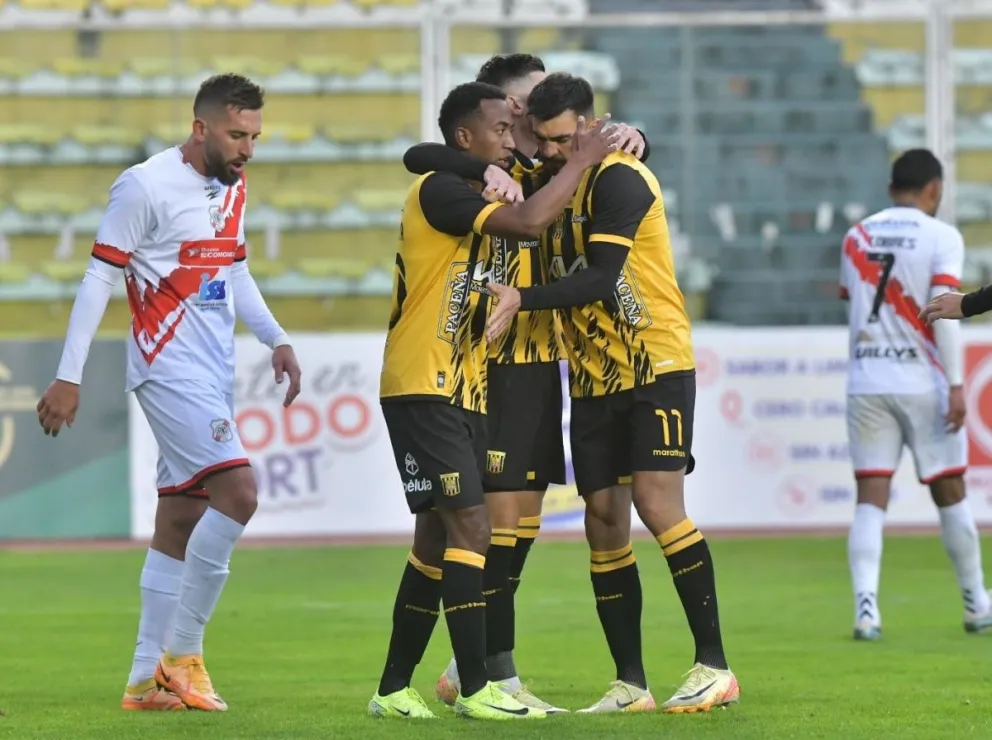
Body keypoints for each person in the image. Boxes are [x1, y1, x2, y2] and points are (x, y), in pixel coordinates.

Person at [36, 74, 302, 712]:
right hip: (166, 367)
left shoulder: (232, 187)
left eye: (255, 137)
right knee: (238, 493)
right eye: (237, 135)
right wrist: (68, 374)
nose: (248, 149)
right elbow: (99, 278)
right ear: (201, 127)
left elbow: (233, 269)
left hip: (212, 371)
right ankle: (182, 655)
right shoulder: (145, 184)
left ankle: (140, 683)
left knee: (180, 519)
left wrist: (276, 338)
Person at [485, 72, 740, 715]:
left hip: (654, 362)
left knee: (657, 504)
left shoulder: (622, 177)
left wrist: (523, 298)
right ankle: (631, 684)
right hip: (595, 373)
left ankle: (714, 664)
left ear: (592, 129)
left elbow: (602, 278)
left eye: (563, 140)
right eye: (542, 142)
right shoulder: (554, 176)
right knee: (603, 524)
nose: (549, 153)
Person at [401, 54, 648, 713]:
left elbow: (619, 165)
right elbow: (418, 153)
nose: (529, 119)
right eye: (519, 107)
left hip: (546, 358)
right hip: (494, 359)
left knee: (522, 524)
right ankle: (486, 672)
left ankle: (474, 665)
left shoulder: (550, 163)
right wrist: (473, 164)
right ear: (498, 110)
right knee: (489, 523)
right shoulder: (492, 170)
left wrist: (640, 138)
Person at [840, 148, 992, 640]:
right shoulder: (942, 236)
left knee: (871, 496)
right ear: (935, 190)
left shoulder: (856, 236)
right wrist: (954, 382)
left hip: (867, 378)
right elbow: (943, 312)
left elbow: (855, 303)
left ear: (890, 189)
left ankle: (867, 611)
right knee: (950, 491)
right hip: (922, 379)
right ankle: (976, 604)